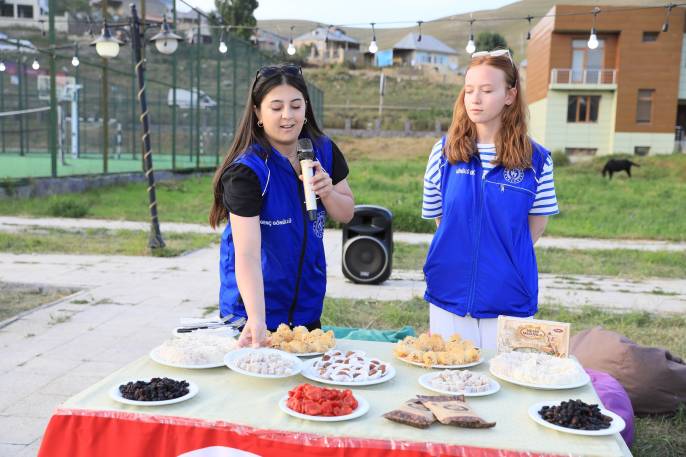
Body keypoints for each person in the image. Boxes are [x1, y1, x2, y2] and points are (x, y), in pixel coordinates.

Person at [421, 50, 559, 351]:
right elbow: (441, 219)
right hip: (449, 294)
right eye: (469, 90)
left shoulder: (537, 161)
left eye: (486, 90)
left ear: (510, 95)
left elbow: (536, 225)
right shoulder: (443, 154)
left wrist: (502, 261)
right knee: (450, 377)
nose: (475, 99)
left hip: (509, 297)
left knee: (506, 378)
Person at [209, 64, 354, 348]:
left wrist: (327, 192)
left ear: (306, 108)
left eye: (296, 106)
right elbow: (247, 254)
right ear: (257, 113)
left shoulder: (323, 150)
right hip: (252, 315)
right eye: (276, 107)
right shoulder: (248, 171)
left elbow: (346, 213)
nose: (288, 115)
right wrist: (257, 319)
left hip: (306, 310)